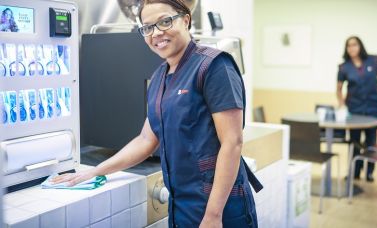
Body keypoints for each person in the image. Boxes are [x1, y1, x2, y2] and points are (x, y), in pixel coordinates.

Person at [52, 0, 259, 227]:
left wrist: (213, 215)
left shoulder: (214, 66)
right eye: (148, 27)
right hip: (182, 205)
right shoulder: (160, 77)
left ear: (186, 20)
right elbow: (146, 139)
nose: (156, 33)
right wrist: (95, 172)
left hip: (221, 207)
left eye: (165, 21)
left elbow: (232, 143)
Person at [336, 36, 377, 182]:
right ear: (346, 49)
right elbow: (339, 89)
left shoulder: (373, 61)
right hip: (354, 109)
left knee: (371, 142)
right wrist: (341, 105)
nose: (352, 48)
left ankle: (369, 172)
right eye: (348, 46)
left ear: (360, 46)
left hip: (374, 108)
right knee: (354, 142)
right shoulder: (344, 67)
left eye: (354, 45)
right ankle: (354, 172)